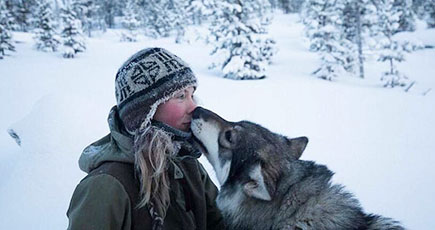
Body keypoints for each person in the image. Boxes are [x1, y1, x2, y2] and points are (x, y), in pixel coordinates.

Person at [67, 47, 224, 230]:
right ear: (145, 112)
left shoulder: (186, 163)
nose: (194, 107)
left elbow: (221, 223)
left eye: (192, 94)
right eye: (181, 96)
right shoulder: (105, 186)